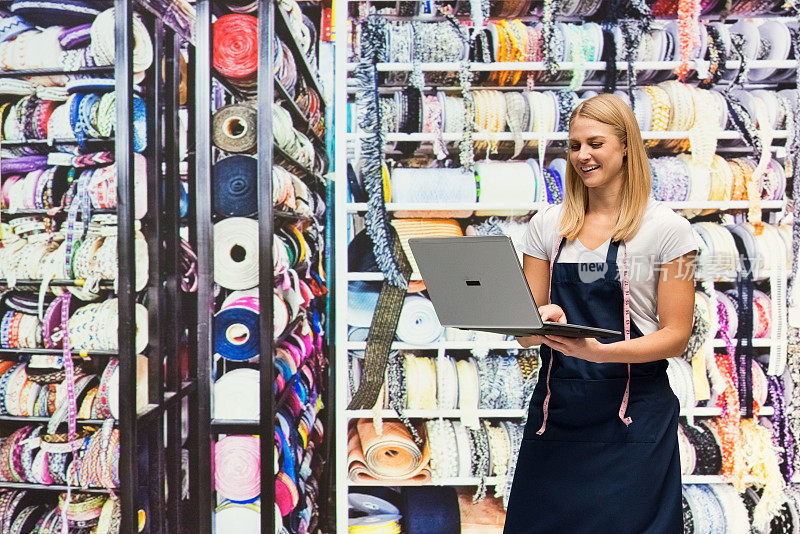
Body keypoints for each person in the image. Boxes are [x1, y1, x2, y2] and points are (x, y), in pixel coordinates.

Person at [503, 93, 696, 533]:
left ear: (626, 144)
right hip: (557, 417)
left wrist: (598, 353)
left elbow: (677, 335)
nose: (582, 156)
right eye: (574, 146)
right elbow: (526, 333)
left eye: (595, 143)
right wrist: (540, 320)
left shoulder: (671, 231)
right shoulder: (547, 226)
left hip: (634, 421)